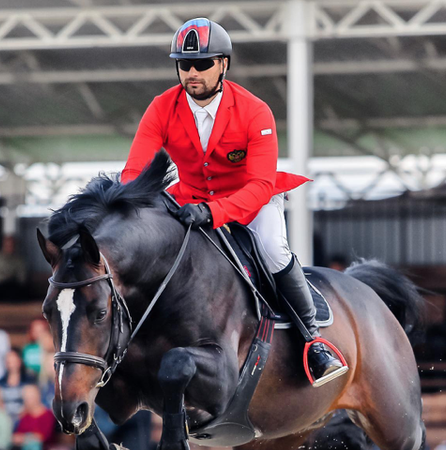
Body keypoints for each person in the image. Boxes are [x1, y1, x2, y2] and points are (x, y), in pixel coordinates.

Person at [121, 18, 347, 386]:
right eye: (185, 65)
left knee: (273, 248)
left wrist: (213, 212)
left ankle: (313, 341)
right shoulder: (162, 107)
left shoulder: (255, 111)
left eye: (203, 64)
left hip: (251, 202)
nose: (192, 72)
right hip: (191, 199)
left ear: (224, 64)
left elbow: (259, 185)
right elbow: (134, 172)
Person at [10, 384, 57, 450]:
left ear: (38, 396)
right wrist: (30, 437)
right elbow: (15, 437)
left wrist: (24, 438)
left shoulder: (48, 415)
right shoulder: (24, 417)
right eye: (26, 398)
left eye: (30, 398)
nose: (28, 401)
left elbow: (44, 437)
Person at [0, 348, 36, 425]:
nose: (11, 363)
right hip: (5, 420)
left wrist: (20, 417)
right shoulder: (0, 383)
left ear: (20, 360)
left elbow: (31, 403)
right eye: (9, 361)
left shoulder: (28, 380)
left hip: (25, 419)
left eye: (14, 360)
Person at [0, 235, 28, 302]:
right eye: (8, 245)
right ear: (3, 245)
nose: (10, 248)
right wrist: (4, 277)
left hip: (10, 288)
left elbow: (22, 279)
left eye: (12, 245)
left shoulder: (18, 260)